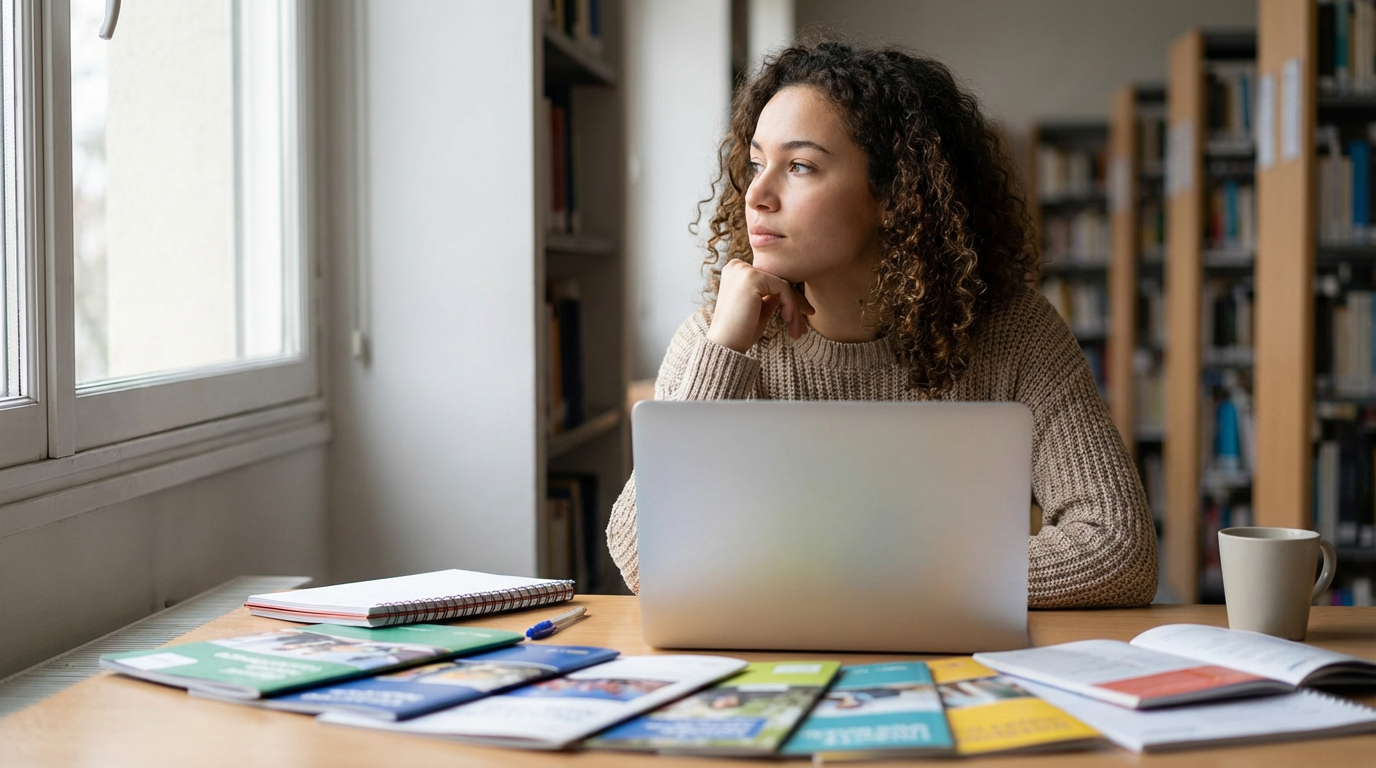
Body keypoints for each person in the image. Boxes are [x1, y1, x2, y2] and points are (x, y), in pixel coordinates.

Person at [606, 39, 1157, 609]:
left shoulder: (1015, 333)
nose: (757, 195)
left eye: (799, 166)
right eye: (754, 164)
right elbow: (644, 557)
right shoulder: (719, 335)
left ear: (894, 195)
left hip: (953, 668)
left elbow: (1118, 549)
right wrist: (725, 350)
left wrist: (849, 577)